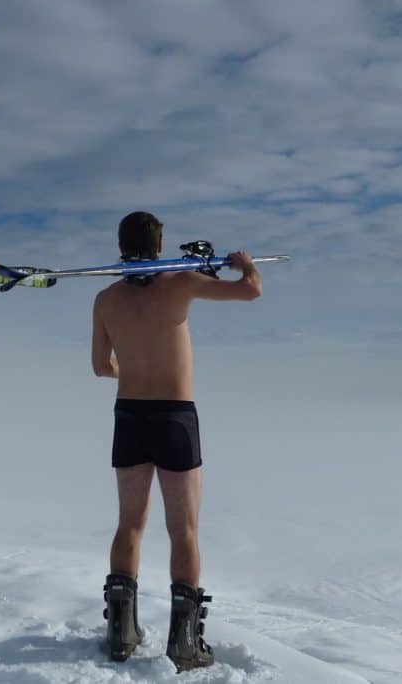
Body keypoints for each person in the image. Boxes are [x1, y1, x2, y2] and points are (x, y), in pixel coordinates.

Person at [91, 211, 262, 671]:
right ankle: (184, 644)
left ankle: (120, 635)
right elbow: (251, 291)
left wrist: (135, 370)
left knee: (130, 524)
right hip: (174, 417)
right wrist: (246, 264)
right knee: (182, 530)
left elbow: (100, 366)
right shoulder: (181, 284)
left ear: (121, 244)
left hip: (129, 416)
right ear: (160, 243)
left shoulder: (106, 299)